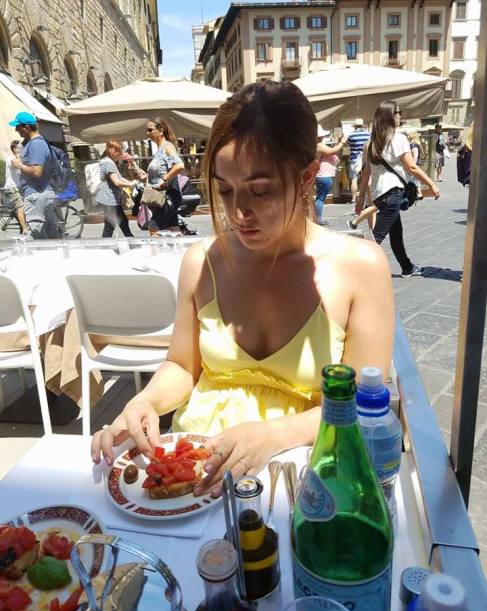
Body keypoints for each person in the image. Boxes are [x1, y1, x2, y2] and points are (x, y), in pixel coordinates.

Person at [92, 80, 394, 495]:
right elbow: (182, 366)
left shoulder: (360, 267)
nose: (238, 212)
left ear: (308, 177)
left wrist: (272, 435)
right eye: (225, 190)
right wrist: (145, 402)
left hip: (303, 480)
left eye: (260, 191)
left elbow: (361, 405)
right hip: (194, 473)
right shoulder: (202, 261)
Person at [356, 100, 440, 278]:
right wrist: (431, 184)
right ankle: (354, 270)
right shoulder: (399, 138)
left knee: (396, 232)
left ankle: (407, 267)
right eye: (398, 112)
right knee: (376, 237)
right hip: (393, 192)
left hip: (379, 193)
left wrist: (361, 197)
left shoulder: (370, 143)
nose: (401, 116)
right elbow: (412, 167)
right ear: (390, 116)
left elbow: (366, 173)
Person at [8, 111, 59, 239]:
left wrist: (19, 165)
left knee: (37, 238)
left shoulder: (36, 144)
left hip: (37, 196)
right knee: (51, 236)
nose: (16, 130)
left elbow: (37, 172)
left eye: (18, 127)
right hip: (40, 194)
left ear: (27, 127)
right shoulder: (34, 143)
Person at [137, 118, 185, 235]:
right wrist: (147, 176)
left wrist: (164, 179)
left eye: (150, 130)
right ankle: (179, 246)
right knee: (173, 230)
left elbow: (179, 165)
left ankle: (156, 249)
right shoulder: (160, 150)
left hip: (167, 196)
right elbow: (162, 171)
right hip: (164, 197)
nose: (147, 133)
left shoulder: (167, 147)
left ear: (161, 130)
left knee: (153, 228)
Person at [96, 139, 137, 238]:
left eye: (121, 150)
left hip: (111, 200)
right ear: (111, 151)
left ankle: (130, 239)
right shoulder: (109, 163)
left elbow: (118, 177)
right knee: (110, 226)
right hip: (110, 200)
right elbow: (117, 182)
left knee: (123, 222)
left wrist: (130, 182)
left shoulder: (108, 161)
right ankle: (106, 245)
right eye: (118, 150)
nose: (121, 153)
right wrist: (130, 184)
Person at [315, 125, 346, 225]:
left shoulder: (318, 145)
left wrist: (339, 143)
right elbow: (332, 151)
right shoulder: (319, 145)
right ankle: (318, 219)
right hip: (324, 175)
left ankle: (317, 218)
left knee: (320, 198)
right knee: (320, 198)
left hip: (322, 175)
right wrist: (341, 142)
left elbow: (332, 151)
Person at [3, 140, 28, 234]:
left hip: (18, 186)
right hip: (12, 187)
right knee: (20, 208)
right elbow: (16, 164)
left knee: (27, 205)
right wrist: (18, 155)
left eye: (22, 147)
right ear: (14, 149)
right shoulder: (11, 159)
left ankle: (23, 226)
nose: (21, 149)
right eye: (19, 147)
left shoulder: (19, 158)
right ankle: (25, 230)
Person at [347, 118, 370, 204]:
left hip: (354, 158)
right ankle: (366, 197)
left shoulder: (351, 135)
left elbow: (347, 144)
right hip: (365, 158)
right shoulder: (368, 134)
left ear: (355, 126)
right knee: (366, 177)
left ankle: (353, 198)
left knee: (354, 179)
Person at [407, 131, 424, 199]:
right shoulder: (415, 144)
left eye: (408, 135)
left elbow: (415, 156)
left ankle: (418, 193)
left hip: (415, 164)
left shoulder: (413, 145)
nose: (407, 136)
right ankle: (418, 193)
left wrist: (413, 165)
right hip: (416, 164)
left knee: (414, 179)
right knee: (415, 179)